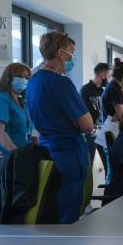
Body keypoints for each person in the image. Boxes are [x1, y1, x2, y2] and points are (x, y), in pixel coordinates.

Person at [26, 31, 93, 224]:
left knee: (52, 212)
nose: (73, 57)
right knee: (68, 215)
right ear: (61, 53)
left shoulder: (34, 80)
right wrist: (75, 121)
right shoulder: (61, 82)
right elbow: (87, 125)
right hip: (68, 153)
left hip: (47, 151)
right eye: (72, 51)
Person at [0, 63, 34, 155]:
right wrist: (15, 153)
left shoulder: (23, 103)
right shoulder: (0, 99)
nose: (24, 80)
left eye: (27, 78)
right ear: (8, 78)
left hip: (22, 155)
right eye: (19, 76)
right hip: (4, 156)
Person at [96, 60, 123, 159]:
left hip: (114, 130)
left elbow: (121, 114)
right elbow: (122, 115)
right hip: (112, 132)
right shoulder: (114, 89)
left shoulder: (116, 88)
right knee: (114, 169)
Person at [80, 62, 111, 171]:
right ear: (102, 75)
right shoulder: (85, 90)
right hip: (90, 131)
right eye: (108, 75)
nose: (109, 79)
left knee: (108, 162)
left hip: (103, 130)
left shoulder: (104, 91)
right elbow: (85, 111)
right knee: (88, 162)